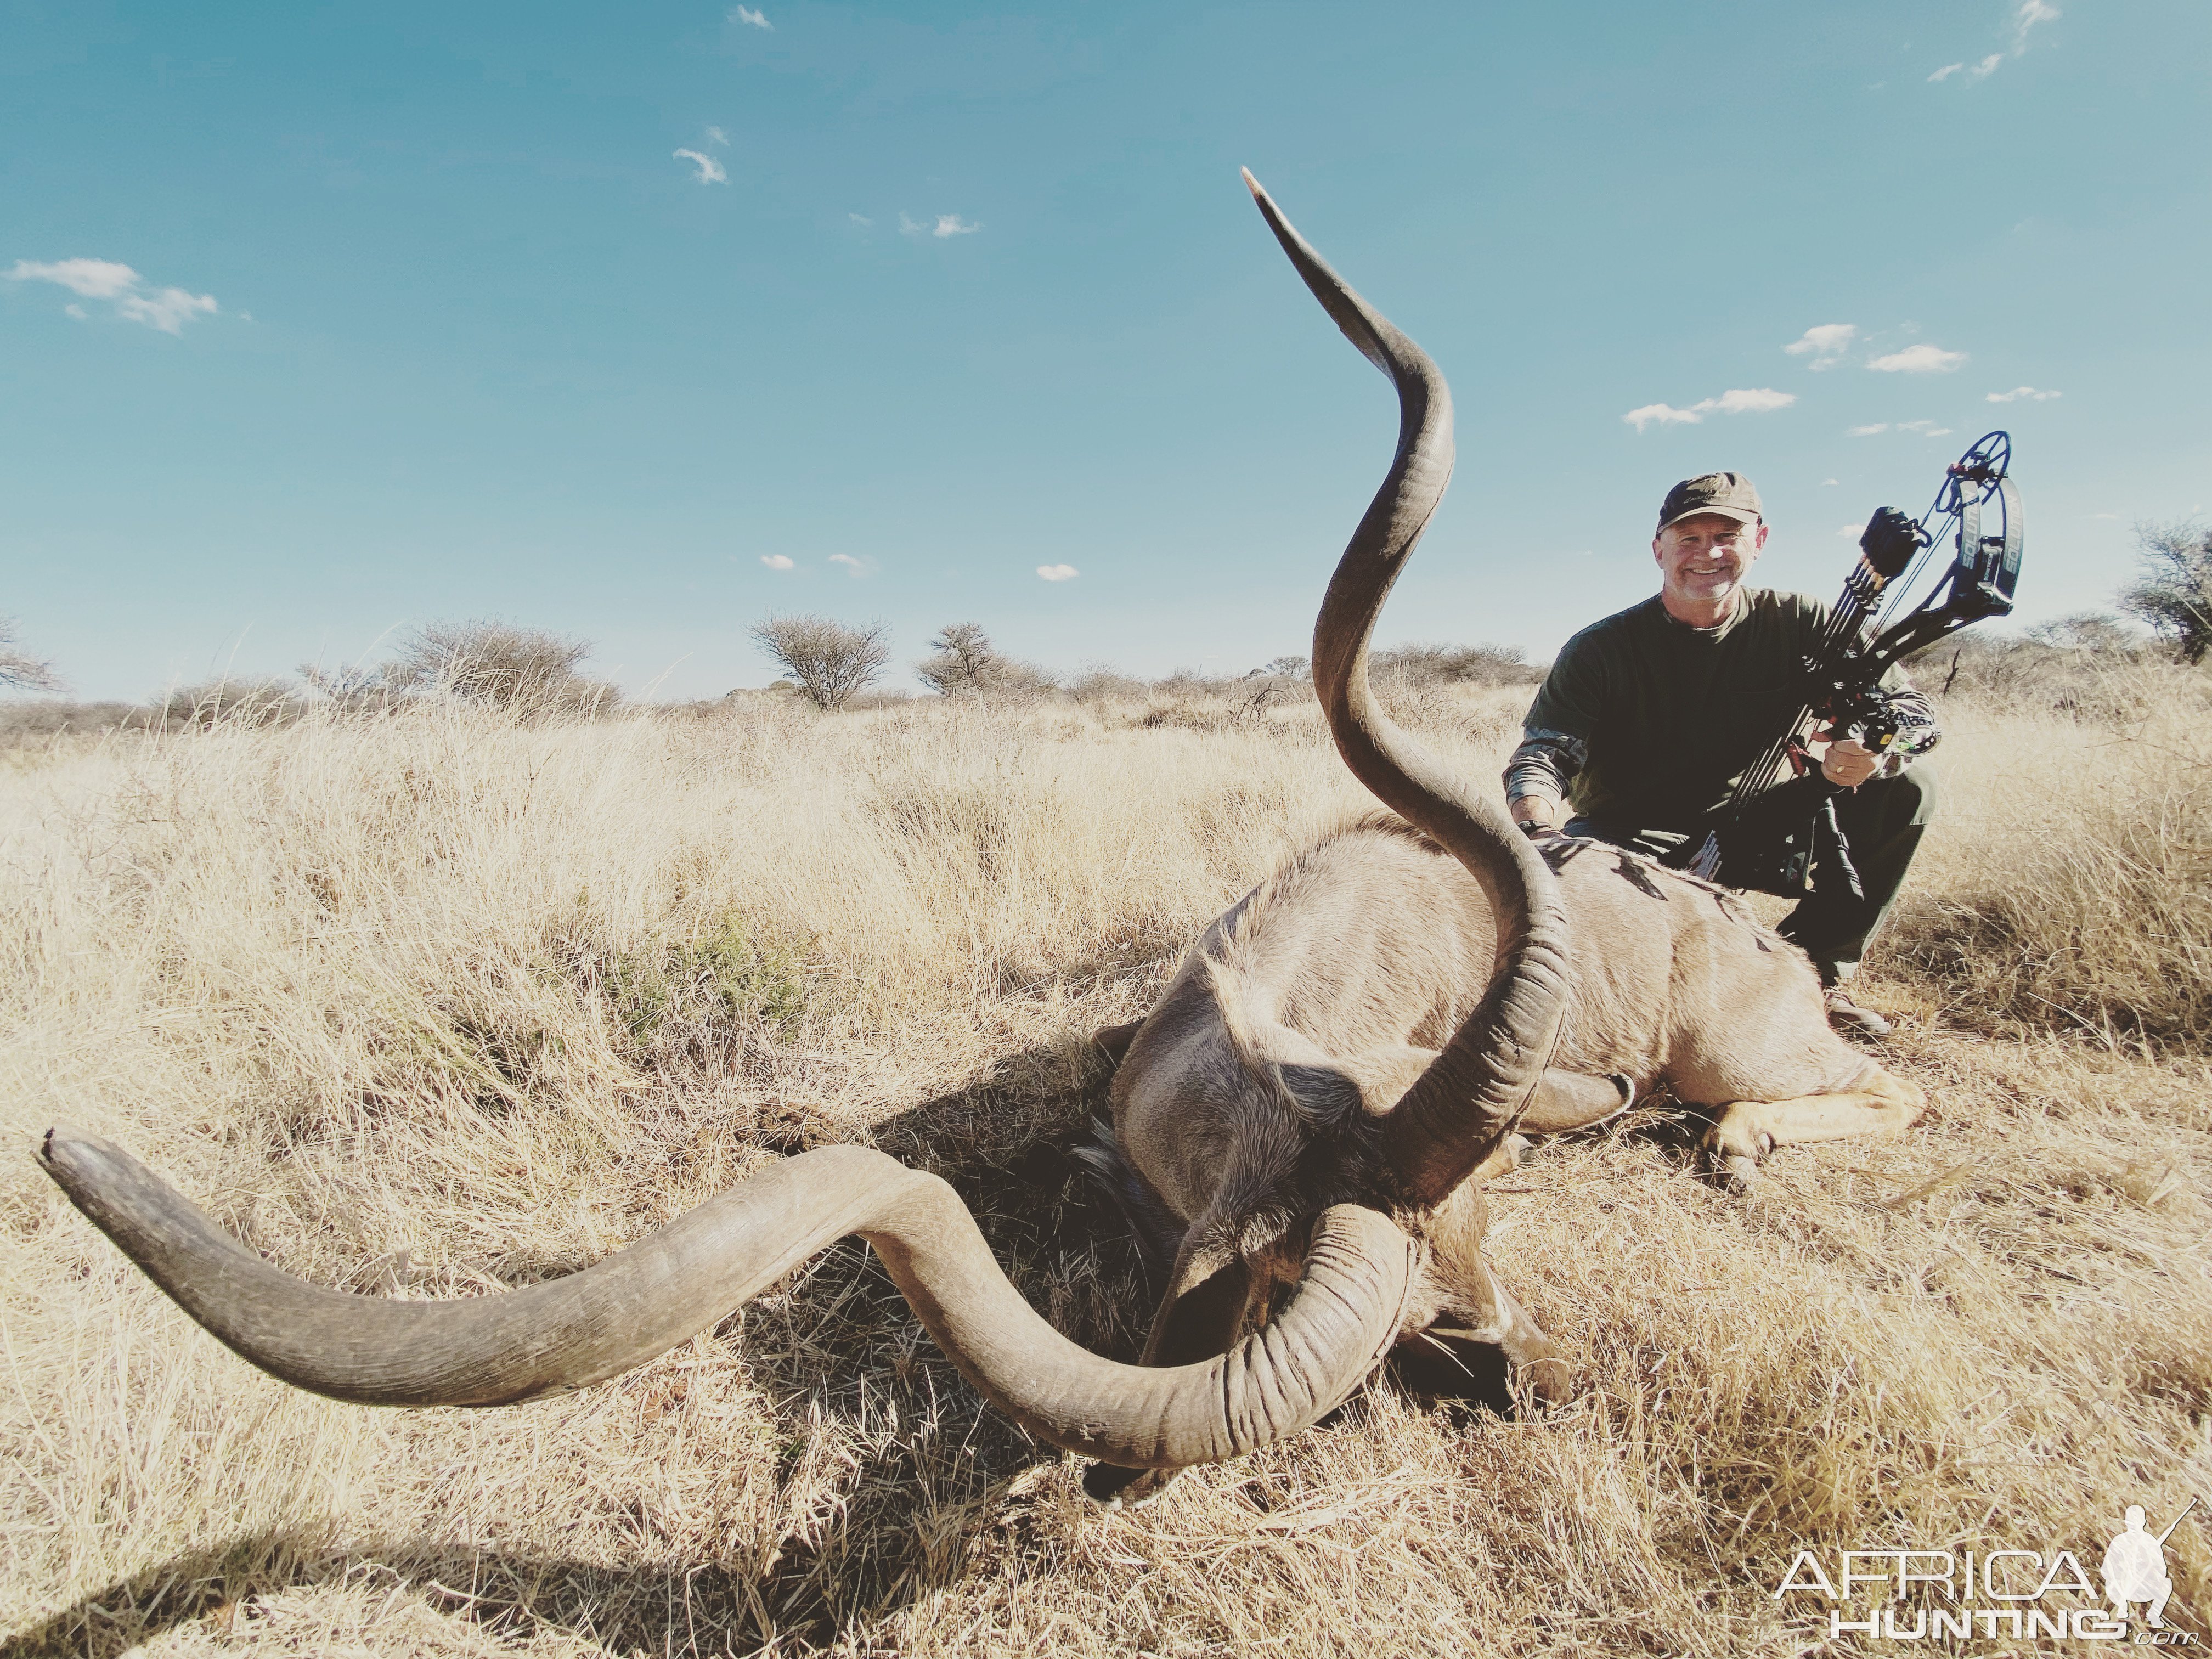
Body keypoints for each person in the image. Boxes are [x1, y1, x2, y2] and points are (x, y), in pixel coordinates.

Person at [1503, 471, 1938, 1039]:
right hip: (1631, 834)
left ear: (1758, 542)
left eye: (1726, 536)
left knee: (1909, 788)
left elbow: (1911, 714)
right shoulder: (1601, 649)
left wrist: (1878, 752)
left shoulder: (1807, 623)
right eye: (1689, 539)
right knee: (1608, 973)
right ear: (1659, 549)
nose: (1707, 553)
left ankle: (1818, 980)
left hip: (1762, 818)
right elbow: (1543, 756)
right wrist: (1539, 828)